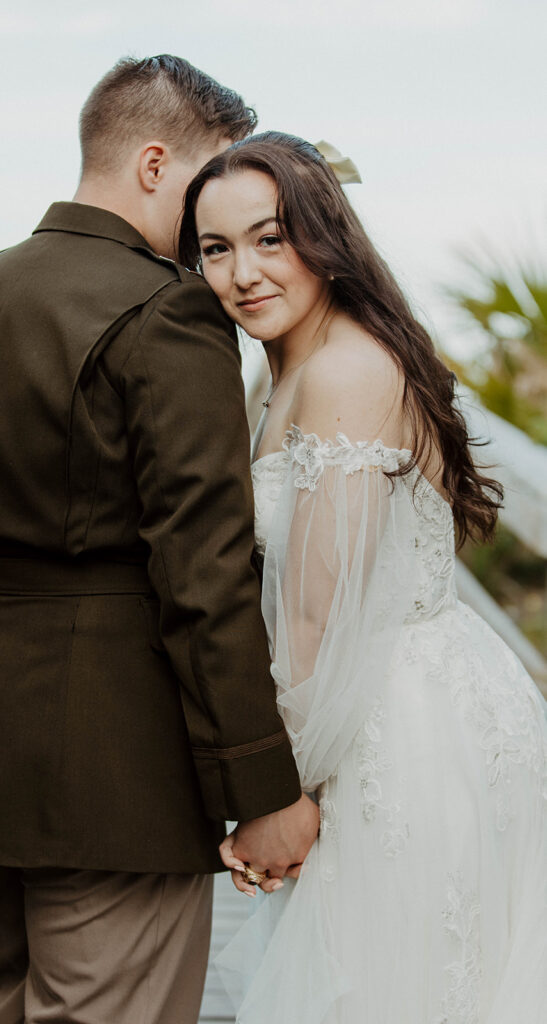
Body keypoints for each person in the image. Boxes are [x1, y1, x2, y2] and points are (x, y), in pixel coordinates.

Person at [0, 63, 321, 1024]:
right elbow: (202, 571)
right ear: (155, 160)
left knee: (6, 1003)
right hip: (112, 772)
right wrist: (261, 785)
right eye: (209, 181)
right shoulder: (166, 309)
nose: (214, 219)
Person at [178, 131, 547, 1024]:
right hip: (382, 700)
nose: (242, 274)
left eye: (271, 238)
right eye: (216, 249)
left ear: (325, 238)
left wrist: (280, 794)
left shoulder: (343, 369)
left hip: (394, 729)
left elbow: (314, 613)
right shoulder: (288, 366)